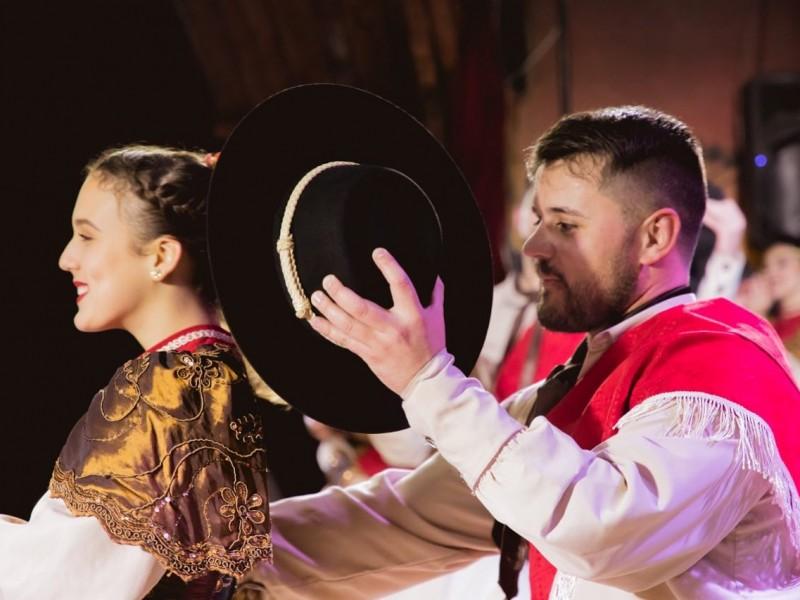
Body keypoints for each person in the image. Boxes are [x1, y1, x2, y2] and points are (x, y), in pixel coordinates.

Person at [236, 106, 800, 599]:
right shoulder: (585, 379)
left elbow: (600, 529)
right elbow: (409, 519)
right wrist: (213, 553)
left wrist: (429, 380)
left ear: (654, 237)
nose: (534, 248)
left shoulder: (722, 367)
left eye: (565, 225)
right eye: (538, 221)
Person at [0, 146, 272, 599]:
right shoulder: (210, 372)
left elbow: (60, 586)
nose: (67, 258)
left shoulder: (171, 384)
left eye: (86, 236)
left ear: (162, 256)